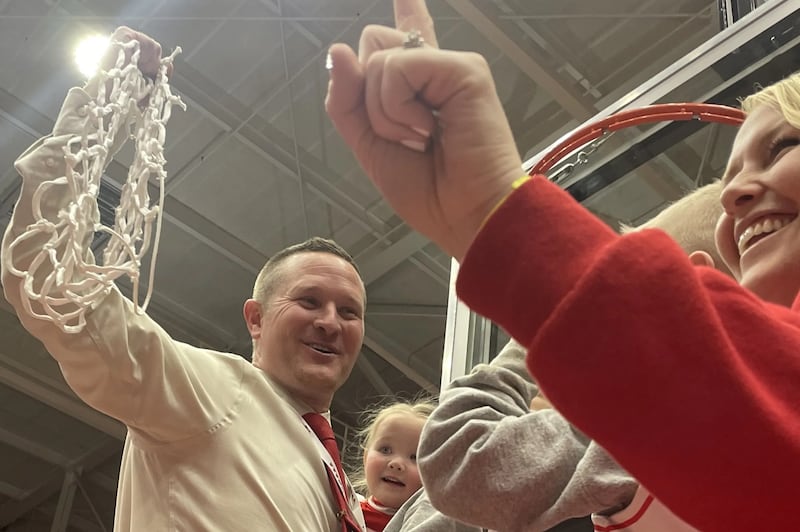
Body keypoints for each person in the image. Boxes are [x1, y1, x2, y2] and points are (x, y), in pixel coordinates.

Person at [324, 0, 800, 529]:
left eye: (782, 147)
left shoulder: (659, 421)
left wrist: (495, 217)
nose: (734, 194)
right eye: (731, 175)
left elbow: (466, 459)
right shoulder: (683, 420)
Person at [2, 27, 367, 531]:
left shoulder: (334, 479)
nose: (331, 322)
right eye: (309, 301)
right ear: (255, 319)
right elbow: (53, 284)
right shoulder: (213, 390)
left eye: (349, 312)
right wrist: (103, 108)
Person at [417, 181, 728, 532]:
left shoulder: (659, 427)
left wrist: (540, 334)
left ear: (688, 291)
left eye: (632, 289)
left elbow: (459, 456)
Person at [351, 398, 434, 531]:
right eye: (385, 450)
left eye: (415, 457)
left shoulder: (434, 525)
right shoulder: (343, 513)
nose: (396, 464)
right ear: (365, 458)